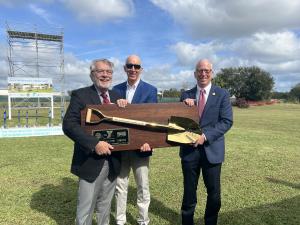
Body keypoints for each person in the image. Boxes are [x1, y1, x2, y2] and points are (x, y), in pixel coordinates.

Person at [63, 59, 123, 225]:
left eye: (108, 72)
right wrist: (95, 144)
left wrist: (125, 107)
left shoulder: (118, 97)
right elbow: (69, 125)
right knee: (85, 209)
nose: (105, 75)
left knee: (105, 208)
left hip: (113, 162)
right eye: (100, 71)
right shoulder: (80, 95)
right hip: (90, 161)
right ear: (92, 75)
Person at [180, 59, 233, 225]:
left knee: (214, 193)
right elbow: (178, 122)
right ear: (195, 73)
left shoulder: (222, 94)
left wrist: (205, 136)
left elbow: (226, 121)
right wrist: (184, 106)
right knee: (189, 192)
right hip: (189, 152)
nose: (203, 73)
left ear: (212, 73)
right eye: (200, 70)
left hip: (212, 150)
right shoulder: (185, 95)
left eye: (206, 70)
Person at [113, 55, 157, 225]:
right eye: (130, 66)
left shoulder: (150, 90)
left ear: (141, 69)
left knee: (143, 187)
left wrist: (149, 141)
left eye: (136, 66)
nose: (133, 69)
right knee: (120, 186)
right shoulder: (115, 90)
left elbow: (153, 120)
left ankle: (143, 221)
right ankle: (120, 220)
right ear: (124, 68)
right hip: (121, 148)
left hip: (141, 148)